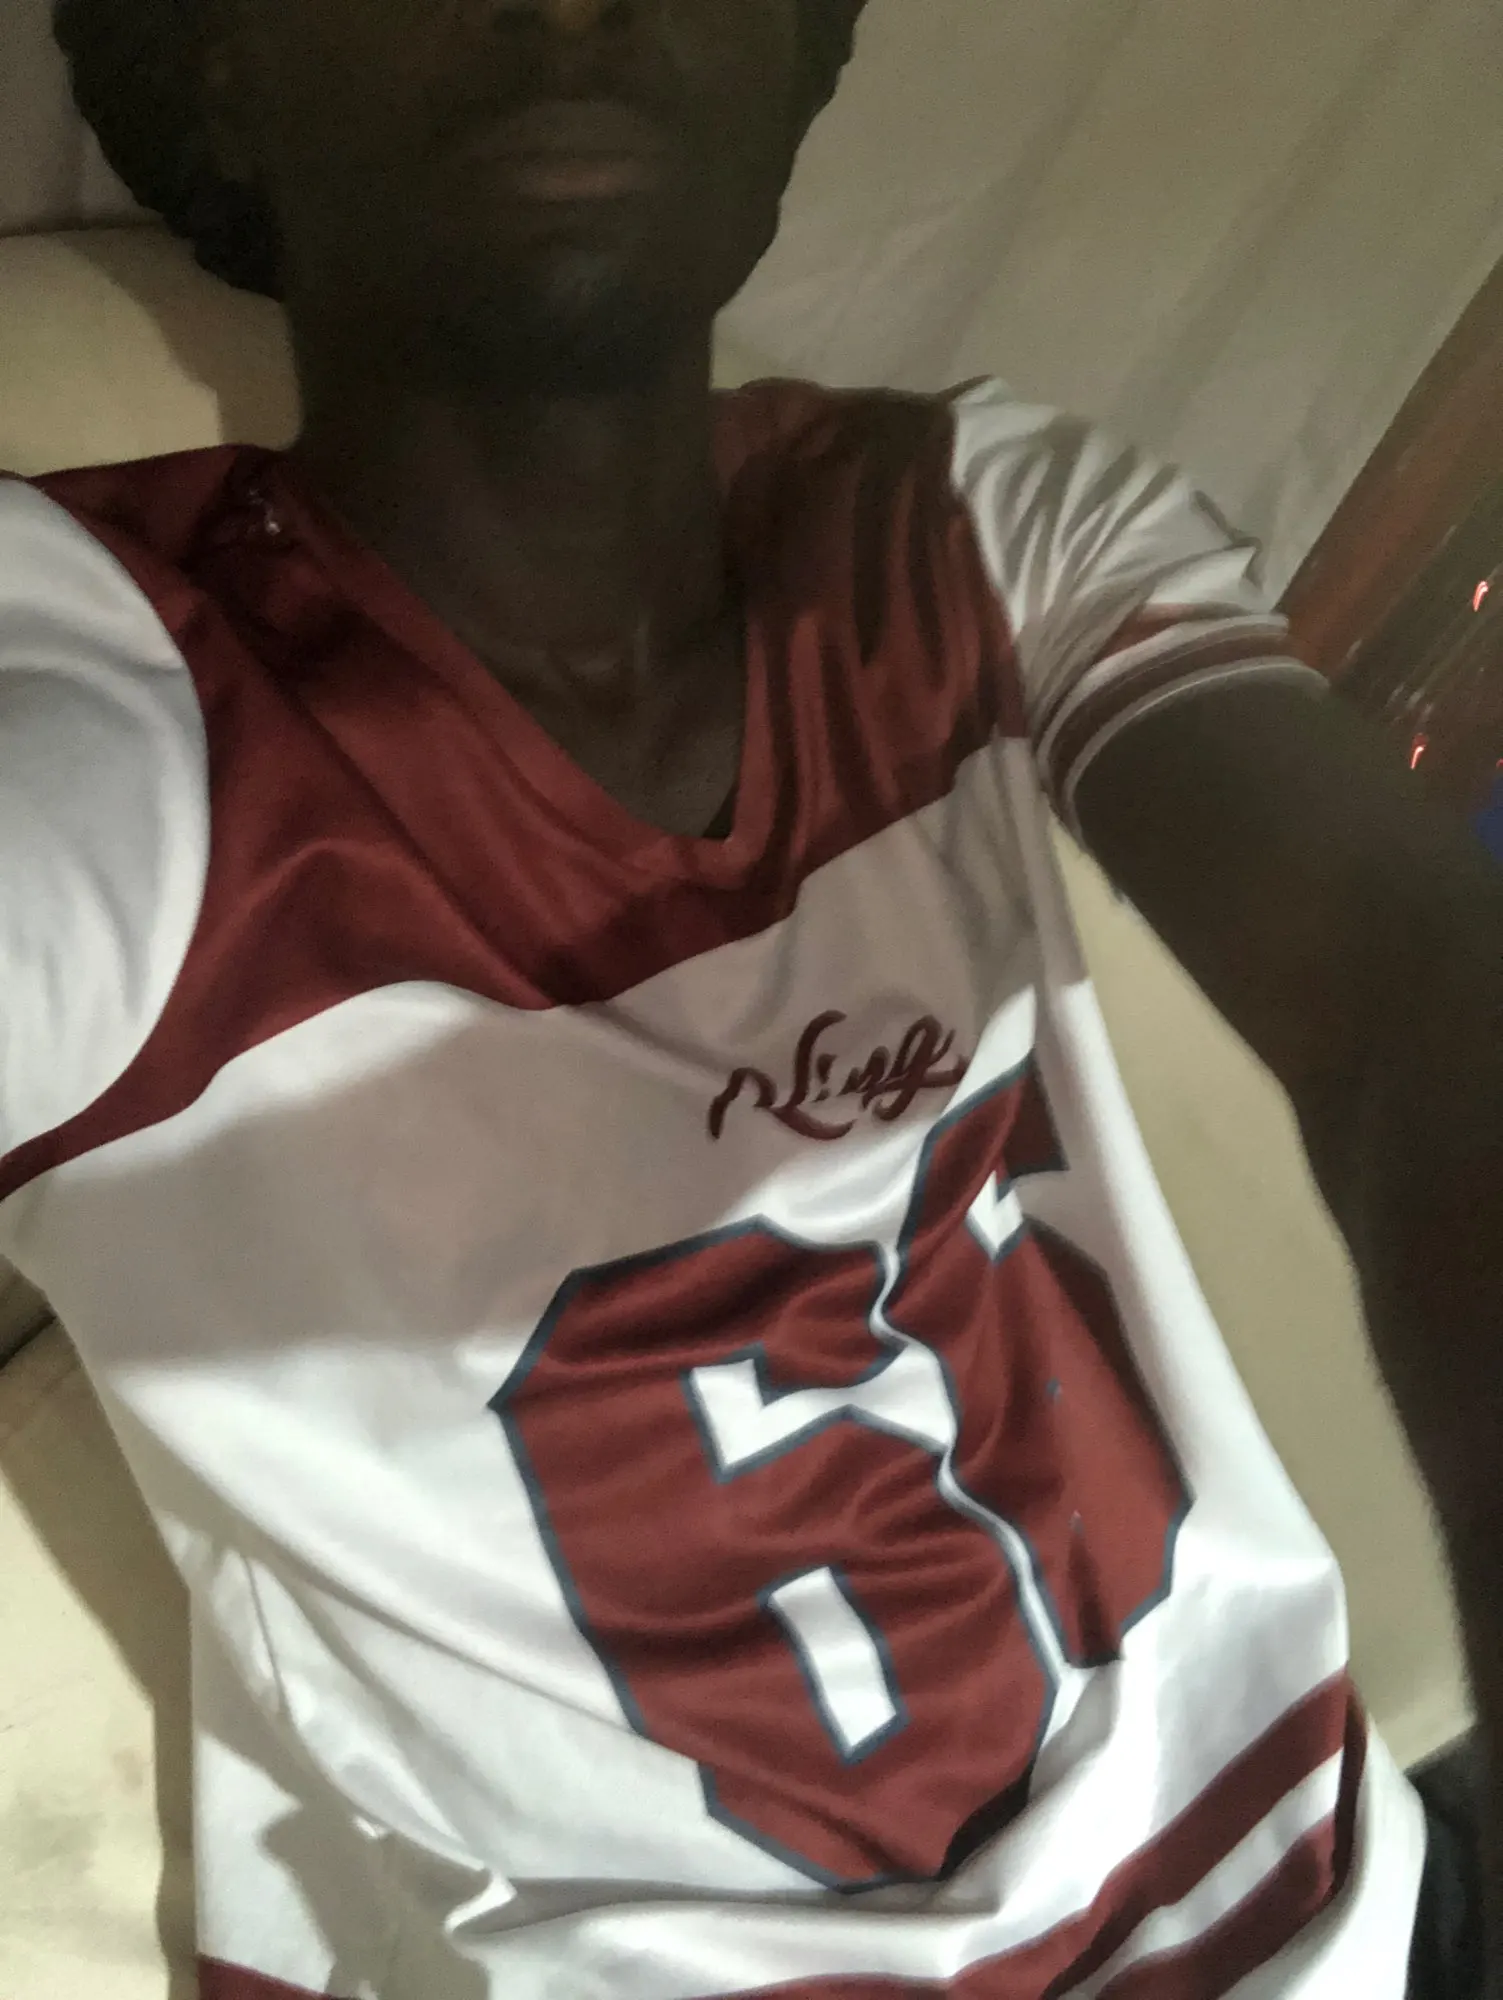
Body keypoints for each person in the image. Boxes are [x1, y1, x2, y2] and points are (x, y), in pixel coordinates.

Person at [3, 1, 1499, 1995]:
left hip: (1343, 1900)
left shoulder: (969, 523)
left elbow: (1411, 992)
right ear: (220, 66)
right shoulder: (109, 718)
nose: (570, 9)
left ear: (803, 56)